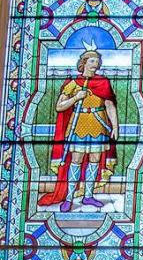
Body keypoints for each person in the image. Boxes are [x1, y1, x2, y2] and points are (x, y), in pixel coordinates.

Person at [38, 44, 118, 212]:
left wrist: (115, 126)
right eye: (92, 60)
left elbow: (110, 105)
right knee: (76, 160)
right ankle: (69, 197)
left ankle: (88, 196)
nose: (95, 63)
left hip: (99, 125)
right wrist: (76, 97)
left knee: (95, 160)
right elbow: (60, 106)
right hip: (78, 126)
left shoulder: (103, 82)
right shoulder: (73, 83)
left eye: (97, 60)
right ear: (84, 63)